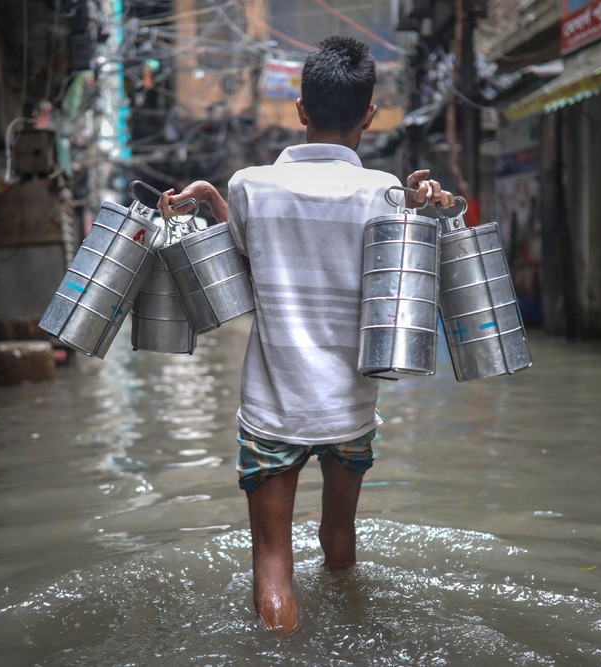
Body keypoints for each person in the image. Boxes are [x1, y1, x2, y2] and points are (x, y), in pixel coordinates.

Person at [160, 36, 453, 635]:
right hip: (351, 407)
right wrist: (429, 207)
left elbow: (243, 253)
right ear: (369, 116)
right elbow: (416, 275)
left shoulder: (248, 186)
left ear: (299, 110)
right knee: (339, 539)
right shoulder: (386, 192)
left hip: (274, 408)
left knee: (272, 563)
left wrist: (212, 199)